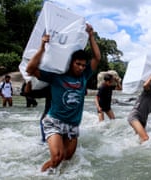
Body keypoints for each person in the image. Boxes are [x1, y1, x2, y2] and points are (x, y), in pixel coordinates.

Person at [26, 23, 101, 172]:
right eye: (77, 64)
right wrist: (42, 47)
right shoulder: (57, 76)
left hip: (73, 125)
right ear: (71, 63)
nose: (81, 67)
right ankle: (38, 175)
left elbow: (97, 58)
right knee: (57, 157)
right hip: (54, 121)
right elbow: (30, 69)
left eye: (83, 65)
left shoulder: (85, 77)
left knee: (67, 158)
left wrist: (91, 36)